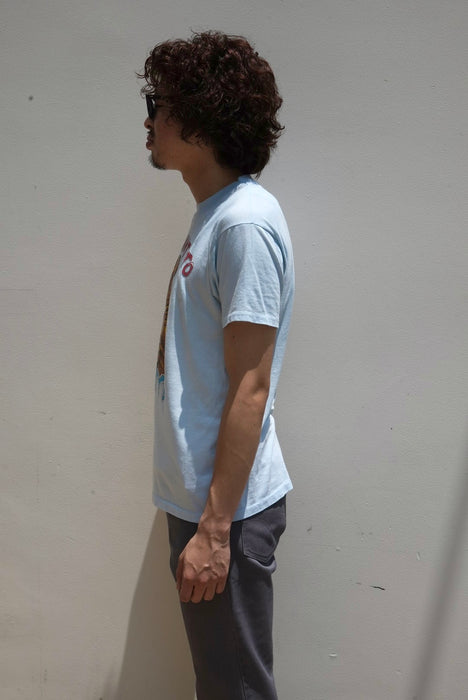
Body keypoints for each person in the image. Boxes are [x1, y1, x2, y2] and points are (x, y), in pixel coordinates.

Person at [139, 30, 294, 700]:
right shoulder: (218, 216)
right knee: (222, 685)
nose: (149, 120)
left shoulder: (242, 225)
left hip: (224, 509)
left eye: (160, 104)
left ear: (203, 119)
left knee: (235, 690)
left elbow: (251, 387)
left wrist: (215, 528)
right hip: (204, 498)